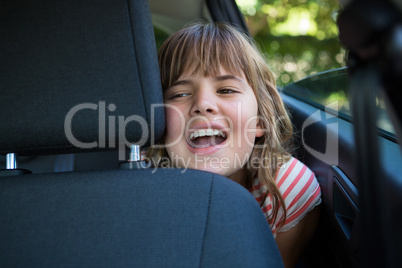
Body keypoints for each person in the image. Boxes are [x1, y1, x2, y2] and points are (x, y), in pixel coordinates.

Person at [146, 22, 321, 268]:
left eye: (226, 90)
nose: (203, 104)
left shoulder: (286, 188)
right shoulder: (139, 183)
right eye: (179, 94)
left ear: (260, 120)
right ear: (159, 123)